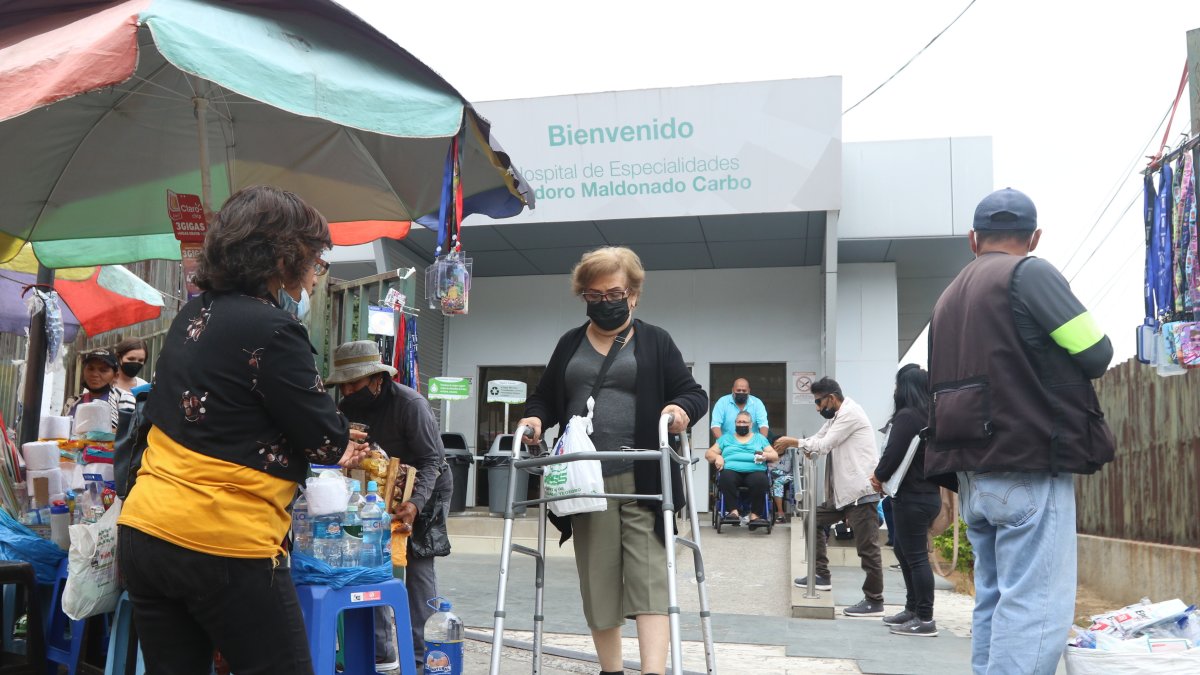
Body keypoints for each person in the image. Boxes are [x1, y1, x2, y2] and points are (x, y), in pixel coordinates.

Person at [116, 185, 369, 675]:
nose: (316, 273)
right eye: (315, 259)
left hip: (146, 532)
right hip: (221, 539)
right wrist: (339, 436)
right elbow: (324, 439)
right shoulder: (274, 329)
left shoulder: (192, 313)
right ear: (284, 258)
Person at [925, 188, 1114, 673]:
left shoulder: (947, 297)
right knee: (1035, 606)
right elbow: (1095, 353)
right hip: (1027, 465)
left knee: (994, 599)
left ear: (973, 240)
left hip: (972, 476)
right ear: (1035, 237)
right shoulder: (1030, 274)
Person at [517, 246, 707, 675]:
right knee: (599, 582)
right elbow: (545, 397)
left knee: (650, 579)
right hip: (587, 481)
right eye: (593, 295)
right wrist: (533, 418)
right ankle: (611, 670)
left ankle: (653, 671)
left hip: (644, 478)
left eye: (613, 293)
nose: (604, 302)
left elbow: (694, 393)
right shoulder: (570, 343)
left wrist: (678, 411)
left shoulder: (656, 340)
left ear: (633, 294)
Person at [326, 340, 453, 674]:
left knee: (418, 569)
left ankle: (427, 659)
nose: (349, 390)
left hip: (426, 488)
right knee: (373, 564)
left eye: (355, 382)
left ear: (377, 379)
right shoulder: (344, 409)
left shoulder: (411, 405)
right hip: (375, 492)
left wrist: (414, 504)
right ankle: (381, 654)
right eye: (344, 384)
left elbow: (432, 462)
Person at [774, 377, 884, 616]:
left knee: (868, 549)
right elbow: (816, 440)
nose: (817, 408)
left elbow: (823, 445)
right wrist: (799, 445)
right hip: (842, 495)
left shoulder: (850, 414)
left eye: (818, 402)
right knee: (812, 518)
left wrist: (793, 442)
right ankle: (822, 575)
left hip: (860, 493)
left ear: (831, 398)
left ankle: (875, 600)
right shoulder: (836, 416)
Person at [868, 364, 941, 637]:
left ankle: (924, 618)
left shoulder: (908, 416)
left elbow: (893, 454)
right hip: (921, 495)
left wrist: (878, 476)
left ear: (905, 388)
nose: (895, 391)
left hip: (913, 496)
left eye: (898, 385)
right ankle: (912, 609)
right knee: (905, 553)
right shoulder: (927, 415)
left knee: (916, 557)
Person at [704, 410, 776, 527]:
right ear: (735, 423)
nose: (741, 424)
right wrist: (717, 456)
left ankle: (755, 516)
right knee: (725, 477)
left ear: (751, 425)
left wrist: (765, 455)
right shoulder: (726, 438)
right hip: (732, 471)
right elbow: (708, 454)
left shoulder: (760, 438)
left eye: (745, 422)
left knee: (760, 480)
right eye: (739, 422)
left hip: (755, 470)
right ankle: (733, 513)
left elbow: (775, 455)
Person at [64, 348, 135, 434]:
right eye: (90, 368)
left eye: (103, 370)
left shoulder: (125, 399)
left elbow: (130, 433)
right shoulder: (72, 402)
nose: (94, 374)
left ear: (116, 376)